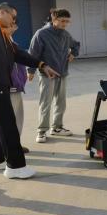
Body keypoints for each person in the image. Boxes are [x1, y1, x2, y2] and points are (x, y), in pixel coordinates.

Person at [0, 2, 59, 180]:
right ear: (2, 12)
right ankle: (16, 167)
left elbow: (16, 53)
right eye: (13, 17)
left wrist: (41, 64)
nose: (14, 21)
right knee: (7, 124)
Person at [28, 8, 80, 143]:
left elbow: (76, 45)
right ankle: (41, 131)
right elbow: (33, 53)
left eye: (67, 21)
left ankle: (57, 127)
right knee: (46, 103)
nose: (65, 24)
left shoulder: (65, 35)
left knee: (61, 102)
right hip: (47, 75)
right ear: (54, 19)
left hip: (62, 73)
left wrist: (73, 53)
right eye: (62, 21)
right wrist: (31, 71)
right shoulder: (41, 34)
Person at [6, 17, 30, 152]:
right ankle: (11, 148)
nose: (11, 28)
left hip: (17, 86)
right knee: (11, 119)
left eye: (13, 25)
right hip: (9, 87)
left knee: (17, 117)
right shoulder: (1, 42)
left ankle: (15, 145)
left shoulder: (11, 41)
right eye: (8, 25)